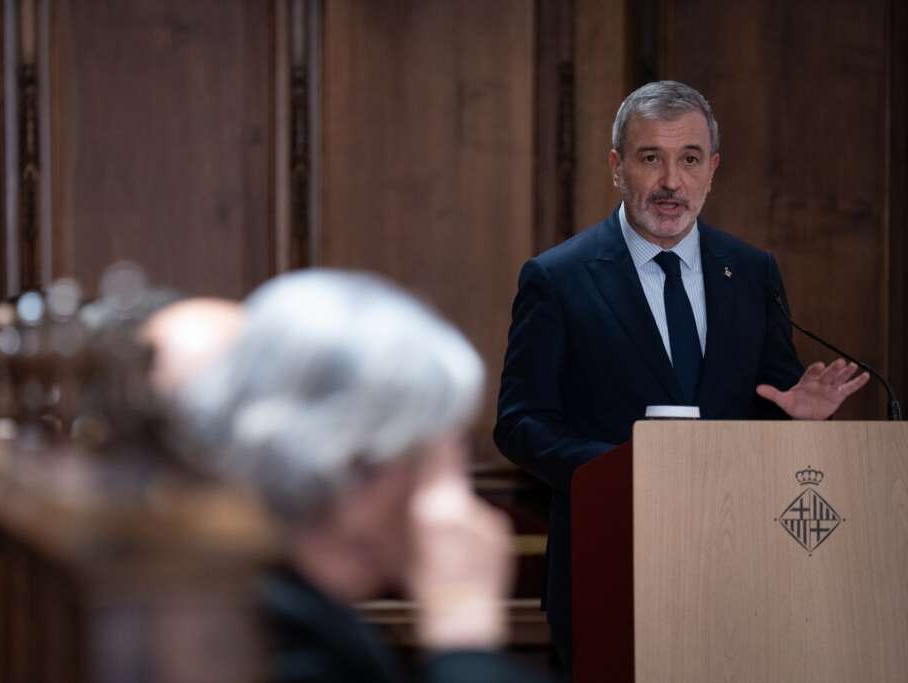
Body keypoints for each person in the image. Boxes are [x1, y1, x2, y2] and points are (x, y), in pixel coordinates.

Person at [493, 80, 870, 676]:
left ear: (712, 169)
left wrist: (796, 420)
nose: (671, 181)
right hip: (610, 565)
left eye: (689, 159)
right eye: (651, 158)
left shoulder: (750, 272)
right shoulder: (557, 278)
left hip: (743, 568)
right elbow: (519, 423)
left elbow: (767, 405)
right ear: (617, 167)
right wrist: (620, 471)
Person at [178, 270, 550, 683]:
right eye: (441, 452)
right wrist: (464, 633)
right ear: (361, 461)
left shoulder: (262, 602)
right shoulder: (267, 640)